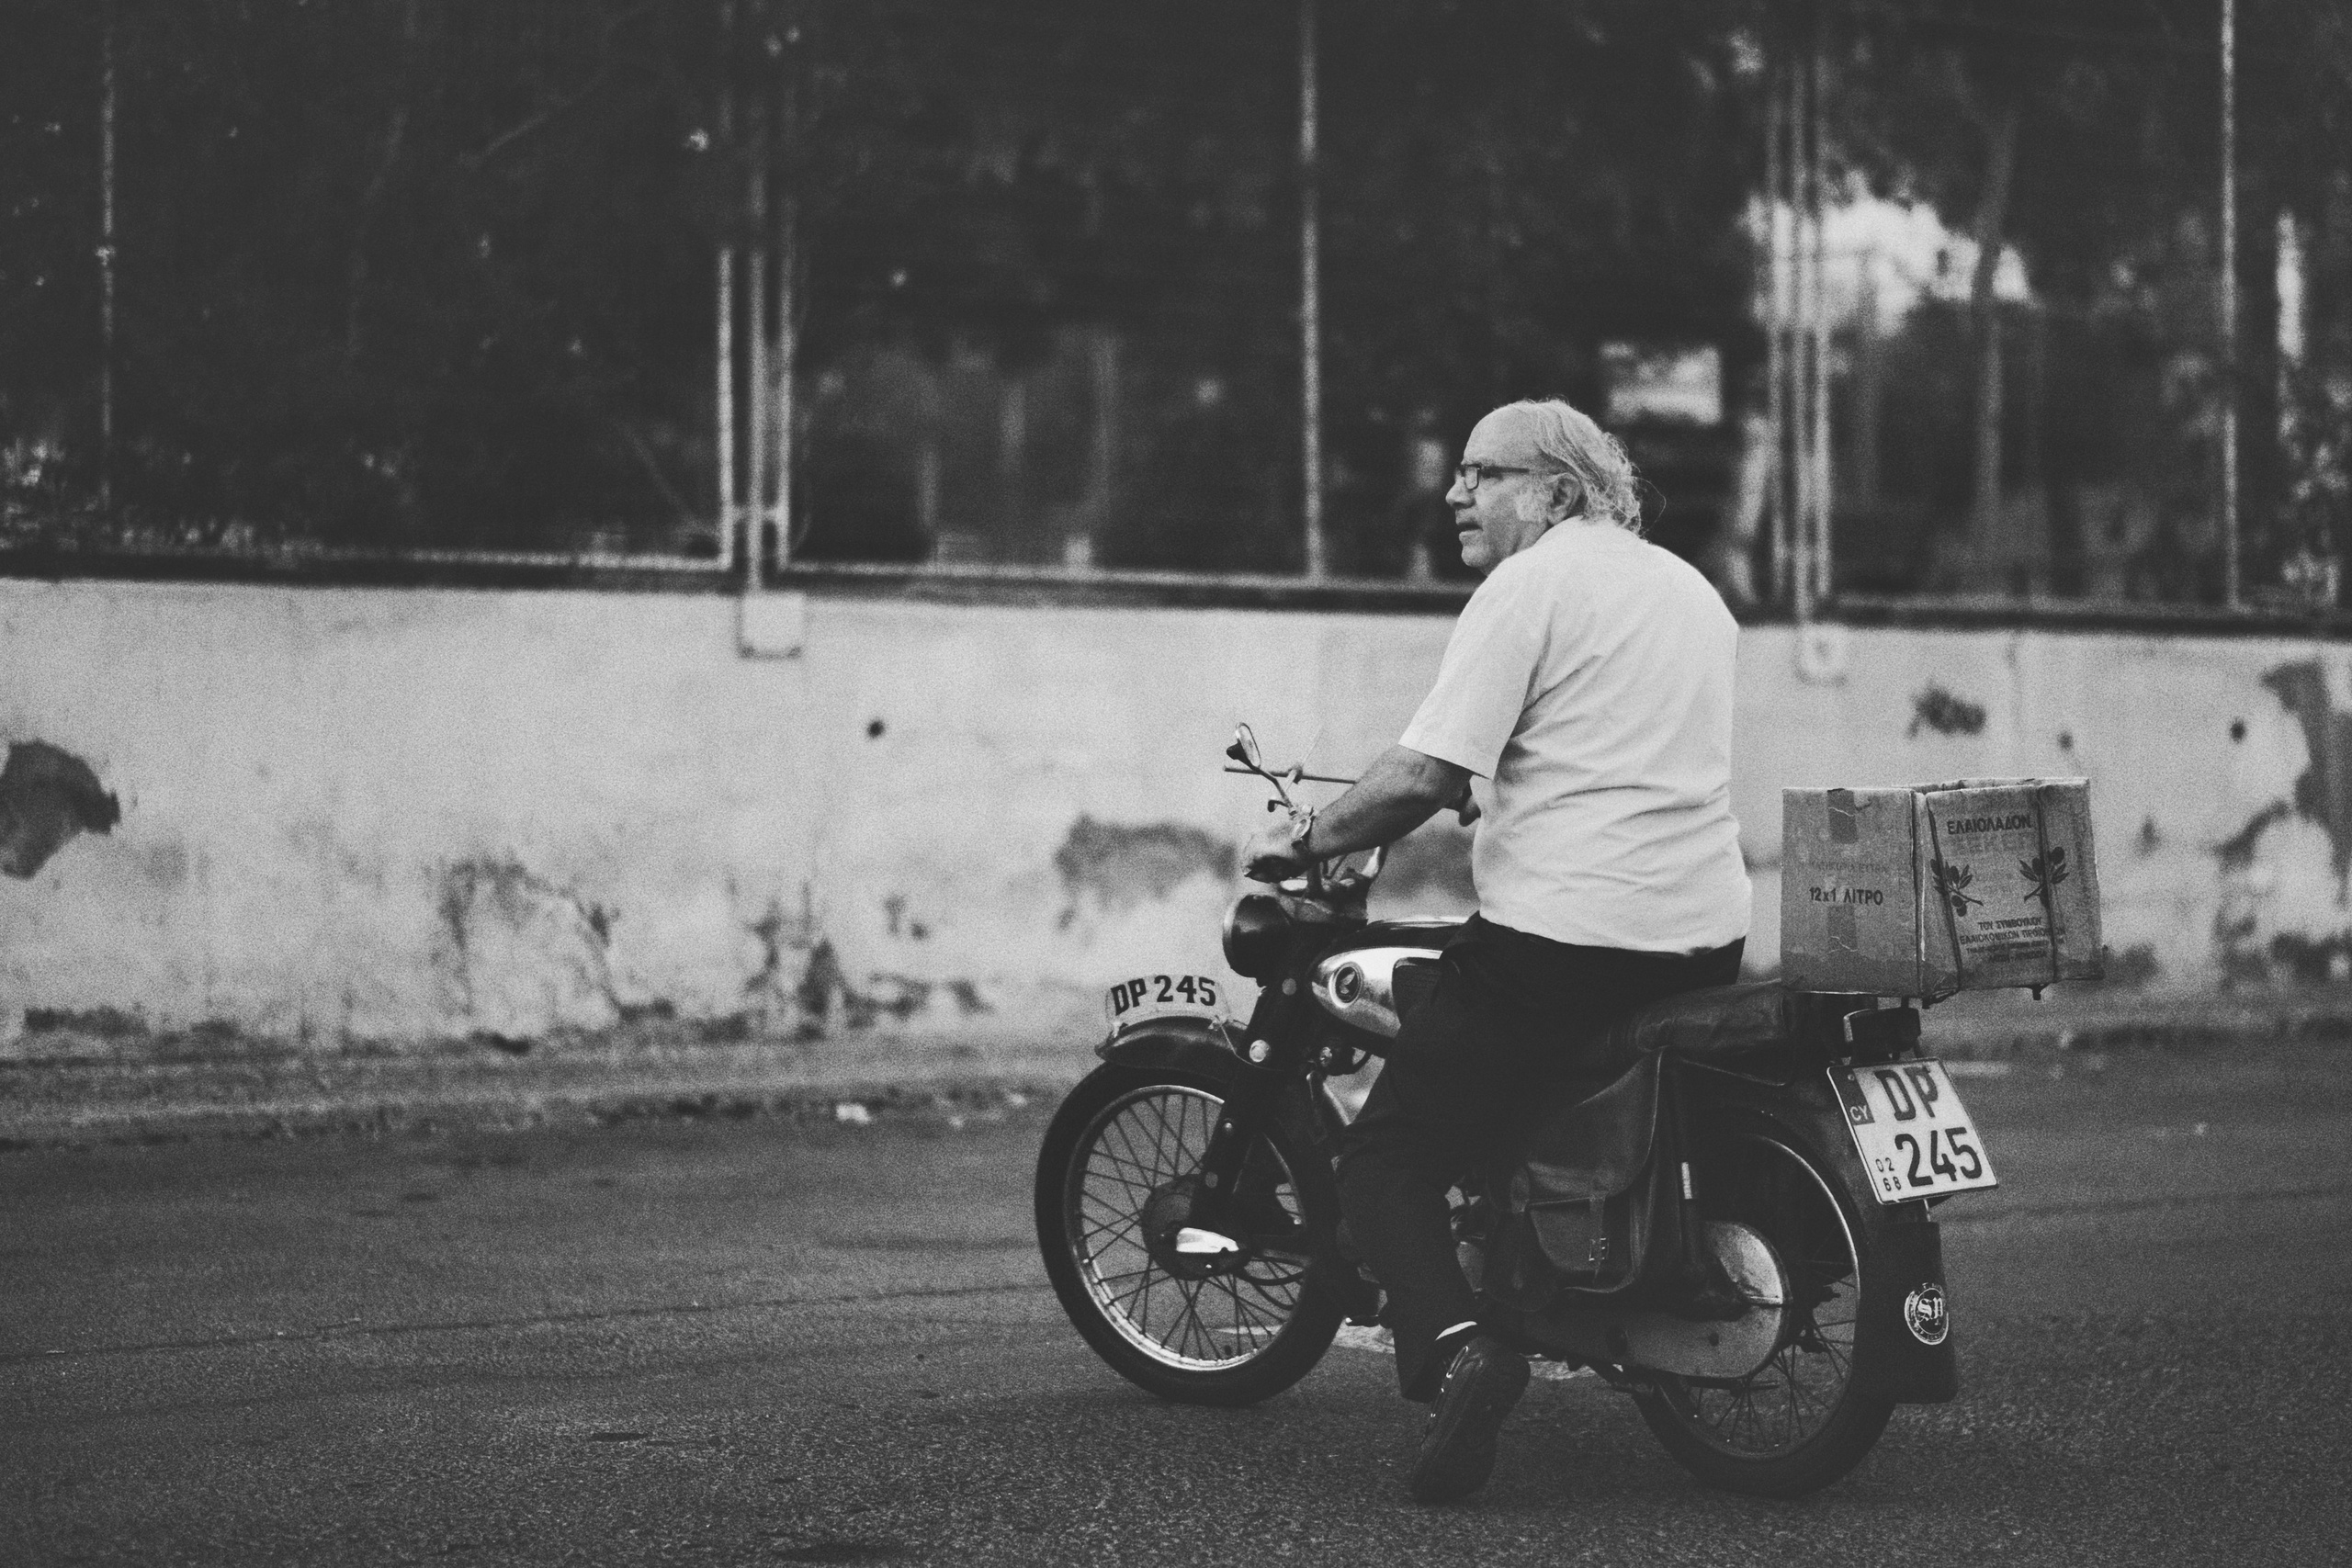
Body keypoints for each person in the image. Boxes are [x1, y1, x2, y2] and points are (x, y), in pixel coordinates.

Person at [1242, 398, 1749, 1504]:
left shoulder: (1526, 585)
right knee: (1511, 1088)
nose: (1455, 492)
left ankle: (1459, 1342)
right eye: (1459, 473)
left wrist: (1303, 843)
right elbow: (1615, 745)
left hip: (1566, 945)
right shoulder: (1688, 589)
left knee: (1385, 1157)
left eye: (1483, 474)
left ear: (1557, 492)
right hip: (1702, 937)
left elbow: (1420, 773)